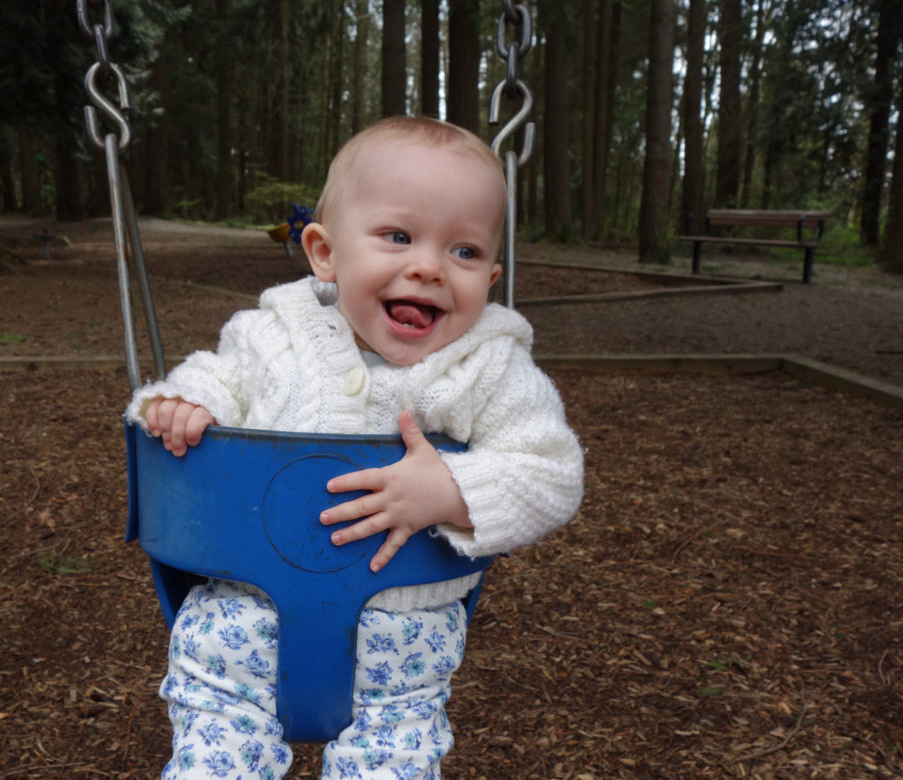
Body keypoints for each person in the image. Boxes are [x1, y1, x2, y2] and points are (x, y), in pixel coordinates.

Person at [126, 116, 584, 779]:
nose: (428, 267)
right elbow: (216, 379)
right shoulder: (273, 334)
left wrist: (449, 490)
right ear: (325, 253)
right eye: (398, 237)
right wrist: (183, 406)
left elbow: (552, 472)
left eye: (465, 252)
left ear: (490, 280)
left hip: (401, 657)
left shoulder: (487, 368)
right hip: (239, 628)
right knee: (213, 763)